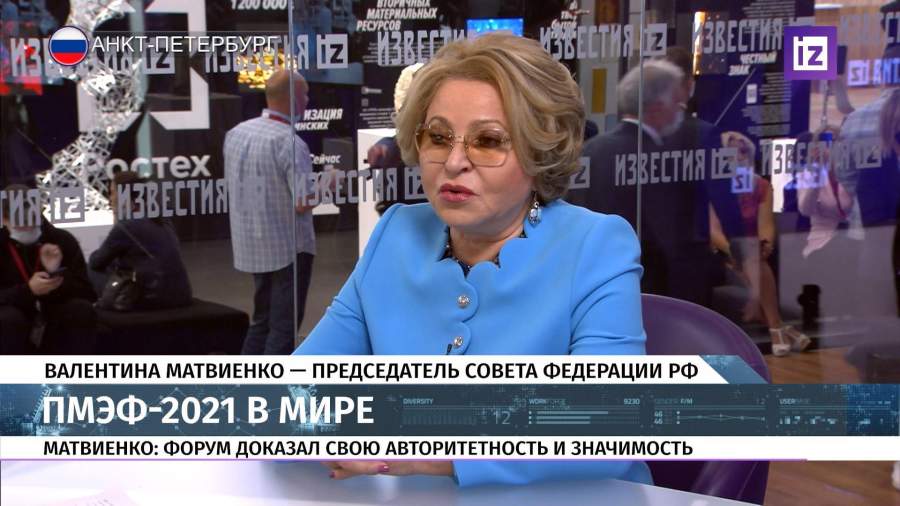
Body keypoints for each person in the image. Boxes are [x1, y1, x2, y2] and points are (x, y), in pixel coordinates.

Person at [294, 33, 651, 487]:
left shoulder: (597, 245)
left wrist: (419, 450)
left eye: (488, 140)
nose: (454, 162)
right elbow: (292, 392)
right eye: (438, 137)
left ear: (540, 152)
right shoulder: (396, 233)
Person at [224, 70, 319, 355]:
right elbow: (303, 201)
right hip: (288, 249)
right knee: (284, 327)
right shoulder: (289, 143)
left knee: (262, 320)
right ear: (293, 98)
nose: (307, 100)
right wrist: (329, 184)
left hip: (254, 245)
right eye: (304, 94)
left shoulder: (236, 133)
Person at [711, 132, 811, 356]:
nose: (739, 156)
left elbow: (766, 227)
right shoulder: (714, 186)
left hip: (753, 252)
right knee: (753, 260)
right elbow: (713, 232)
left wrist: (765, 245)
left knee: (755, 259)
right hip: (722, 251)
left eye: (743, 151)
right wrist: (738, 251)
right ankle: (779, 328)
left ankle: (776, 328)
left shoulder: (761, 185)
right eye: (732, 151)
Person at [0, 184, 96, 354]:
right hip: (15, 315)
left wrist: (57, 276)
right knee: (8, 319)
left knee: (81, 310)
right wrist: (28, 290)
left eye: (32, 221)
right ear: (5, 220)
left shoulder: (61, 240)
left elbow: (88, 292)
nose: (27, 228)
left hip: (55, 312)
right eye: (20, 224)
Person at [88, 171, 193, 310]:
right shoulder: (161, 219)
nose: (110, 199)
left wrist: (117, 222)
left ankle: (97, 308)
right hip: (181, 295)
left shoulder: (127, 226)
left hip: (153, 299)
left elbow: (96, 262)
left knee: (90, 269)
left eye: (112, 193)